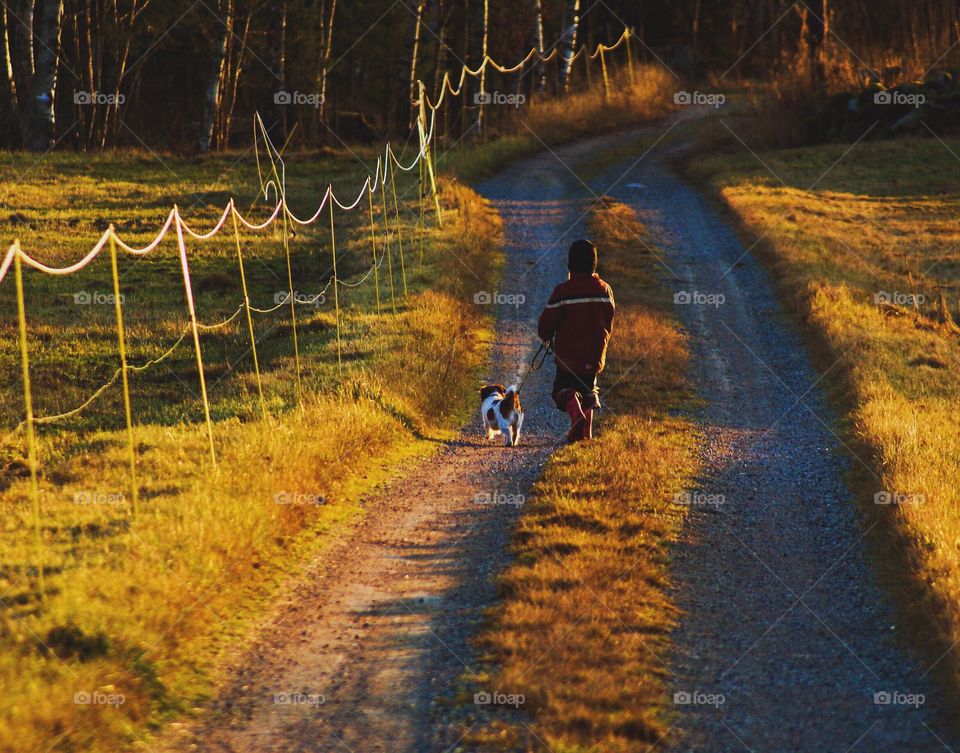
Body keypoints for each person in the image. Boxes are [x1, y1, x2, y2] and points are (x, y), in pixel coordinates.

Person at [537, 239, 615, 442]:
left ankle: (575, 414)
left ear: (570, 264)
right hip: (595, 354)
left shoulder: (563, 291)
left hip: (568, 357)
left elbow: (546, 325)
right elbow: (609, 321)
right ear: (594, 264)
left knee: (563, 391)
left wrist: (545, 336)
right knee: (588, 391)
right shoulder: (605, 290)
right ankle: (585, 436)